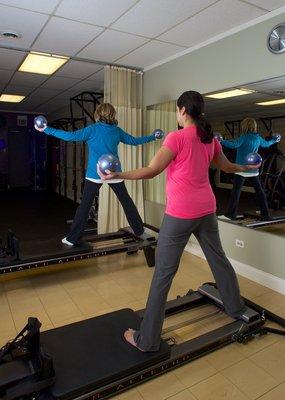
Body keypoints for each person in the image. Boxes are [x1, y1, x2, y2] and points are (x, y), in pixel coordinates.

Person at [98, 90, 259, 352]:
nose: (177, 113)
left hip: (180, 215)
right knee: (219, 259)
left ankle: (146, 340)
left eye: (177, 109)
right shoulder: (210, 139)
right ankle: (235, 307)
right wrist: (248, 168)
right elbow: (228, 167)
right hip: (207, 210)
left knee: (163, 274)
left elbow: (151, 170)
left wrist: (118, 174)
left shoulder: (177, 137)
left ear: (183, 110)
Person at [35, 103, 159, 245]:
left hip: (95, 173)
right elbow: (134, 141)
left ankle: (72, 239)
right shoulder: (117, 131)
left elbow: (70, 136)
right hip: (113, 172)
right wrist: (152, 137)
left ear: (98, 114)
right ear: (112, 115)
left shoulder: (92, 129)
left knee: (85, 206)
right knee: (126, 201)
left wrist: (46, 129)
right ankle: (139, 230)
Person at [221, 118, 279, 220]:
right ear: (254, 127)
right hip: (253, 171)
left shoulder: (243, 137)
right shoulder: (258, 138)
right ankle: (266, 214)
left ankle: (231, 214)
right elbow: (267, 144)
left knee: (235, 193)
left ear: (244, 127)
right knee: (260, 192)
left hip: (241, 170)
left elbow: (234, 144)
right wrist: (275, 140)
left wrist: (221, 141)